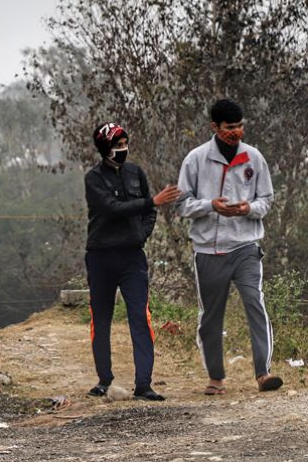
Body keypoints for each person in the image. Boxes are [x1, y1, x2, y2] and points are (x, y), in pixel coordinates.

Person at [177, 99, 282, 395]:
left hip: (246, 246)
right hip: (209, 250)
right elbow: (183, 204)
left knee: (255, 303)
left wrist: (248, 207)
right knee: (211, 314)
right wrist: (210, 206)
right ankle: (216, 378)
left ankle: (263, 373)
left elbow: (267, 199)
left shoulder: (254, 158)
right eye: (229, 127)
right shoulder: (196, 159)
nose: (236, 132)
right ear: (214, 127)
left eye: (240, 126)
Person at [85, 122, 181, 401]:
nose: (122, 149)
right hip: (101, 257)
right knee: (101, 319)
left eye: (125, 143)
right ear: (104, 149)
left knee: (140, 317)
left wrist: (142, 233)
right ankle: (104, 379)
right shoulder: (93, 178)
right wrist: (152, 201)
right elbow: (112, 209)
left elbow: (150, 214)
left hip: (132, 258)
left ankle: (144, 384)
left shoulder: (136, 173)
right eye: (116, 145)